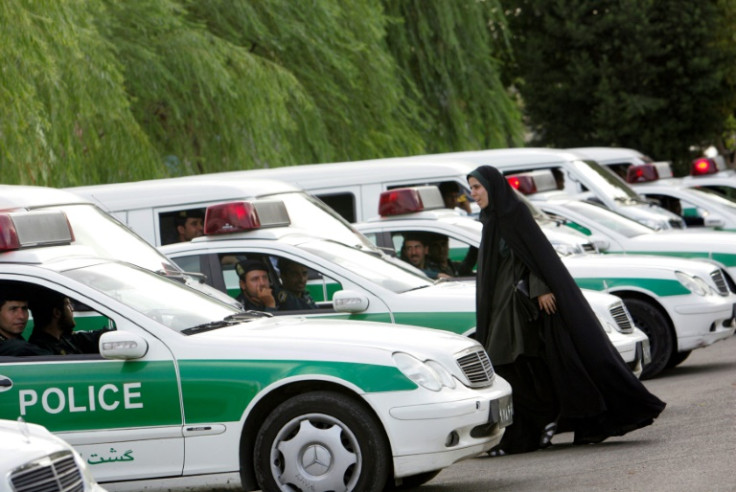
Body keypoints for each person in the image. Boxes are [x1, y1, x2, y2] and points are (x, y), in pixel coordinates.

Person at [468, 165, 665, 455]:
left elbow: (537, 253)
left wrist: (541, 287)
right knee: (523, 368)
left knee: (511, 364)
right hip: (501, 307)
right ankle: (533, 430)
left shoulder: (515, 214)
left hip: (518, 309)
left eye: (477, 187)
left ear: (492, 187)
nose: (472, 194)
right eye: (471, 188)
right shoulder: (491, 219)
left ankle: (538, 426)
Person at [29, 290, 111, 355]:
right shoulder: (42, 350)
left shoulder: (65, 339)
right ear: (57, 313)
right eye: (68, 305)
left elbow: (94, 338)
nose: (72, 309)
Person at [0, 287, 49, 356]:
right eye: (13, 309)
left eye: (24, 309)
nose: (21, 316)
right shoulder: (15, 347)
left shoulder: (21, 340)